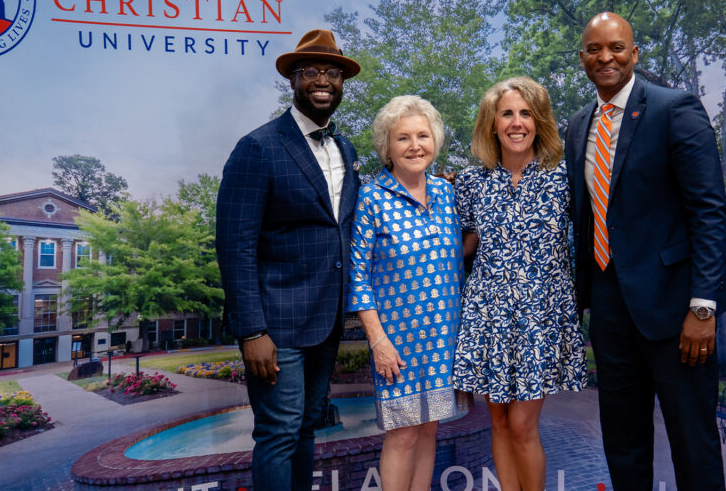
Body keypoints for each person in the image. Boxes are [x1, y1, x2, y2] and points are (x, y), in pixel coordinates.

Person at [564, 12, 726, 491]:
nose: (605, 57)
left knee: (693, 442)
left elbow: (708, 210)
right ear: (583, 59)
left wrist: (703, 305)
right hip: (610, 309)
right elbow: (584, 216)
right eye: (594, 49)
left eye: (616, 47)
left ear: (634, 54)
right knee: (623, 441)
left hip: (676, 310)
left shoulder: (673, 108)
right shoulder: (579, 126)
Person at [216, 29, 362, 491]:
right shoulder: (258, 147)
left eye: (333, 72)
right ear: (294, 80)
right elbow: (234, 246)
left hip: (325, 320)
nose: (324, 80)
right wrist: (252, 331)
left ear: (342, 83)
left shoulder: (345, 150)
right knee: (278, 434)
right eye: (313, 71)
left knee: (305, 429)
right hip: (275, 325)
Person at [453, 77, 588, 491]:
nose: (516, 122)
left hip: (540, 318)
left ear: (539, 121)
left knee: (522, 424)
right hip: (488, 313)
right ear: (492, 123)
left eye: (526, 113)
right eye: (507, 113)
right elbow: (464, 245)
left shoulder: (564, 177)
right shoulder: (472, 183)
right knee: (499, 422)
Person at [348, 95, 469, 491]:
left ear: (435, 140)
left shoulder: (448, 195)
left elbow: (460, 254)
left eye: (423, 135)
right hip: (396, 343)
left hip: (443, 338)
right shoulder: (372, 198)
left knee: (430, 430)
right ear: (387, 147)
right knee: (402, 435)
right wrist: (377, 340)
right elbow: (358, 276)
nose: (415, 145)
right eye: (403, 138)